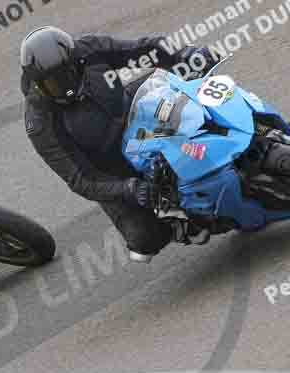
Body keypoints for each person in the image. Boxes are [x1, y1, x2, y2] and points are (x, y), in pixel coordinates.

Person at [20, 27, 220, 262]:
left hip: (134, 115)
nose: (63, 87)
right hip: (112, 168)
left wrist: (185, 54)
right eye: (51, 84)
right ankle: (181, 225)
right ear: (37, 84)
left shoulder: (89, 50)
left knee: (192, 86)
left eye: (66, 75)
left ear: (77, 62)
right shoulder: (41, 122)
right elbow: (79, 178)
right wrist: (127, 188)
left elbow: (145, 49)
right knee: (143, 241)